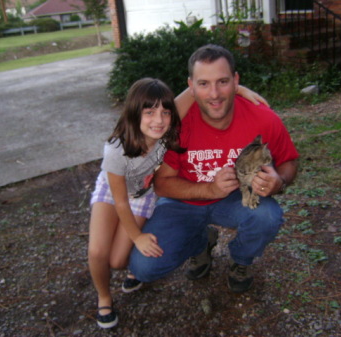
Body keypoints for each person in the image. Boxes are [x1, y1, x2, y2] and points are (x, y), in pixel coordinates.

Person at [88, 77, 268, 328]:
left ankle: (137, 267)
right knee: (98, 251)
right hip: (113, 190)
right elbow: (120, 203)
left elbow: (197, 90)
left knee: (118, 260)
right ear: (133, 112)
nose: (158, 120)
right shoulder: (117, 149)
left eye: (164, 112)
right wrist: (137, 237)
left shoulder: (164, 130)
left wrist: (238, 87)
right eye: (149, 112)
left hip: (142, 193)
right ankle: (104, 297)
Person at [128, 44, 299, 295]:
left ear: (236, 80)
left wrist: (279, 181)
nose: (215, 94)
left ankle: (241, 260)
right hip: (183, 201)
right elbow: (162, 184)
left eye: (223, 81)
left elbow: (289, 161)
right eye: (204, 84)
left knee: (267, 216)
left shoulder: (263, 117)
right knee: (143, 267)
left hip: (236, 199)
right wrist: (209, 189)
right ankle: (200, 242)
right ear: (191, 86)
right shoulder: (175, 123)